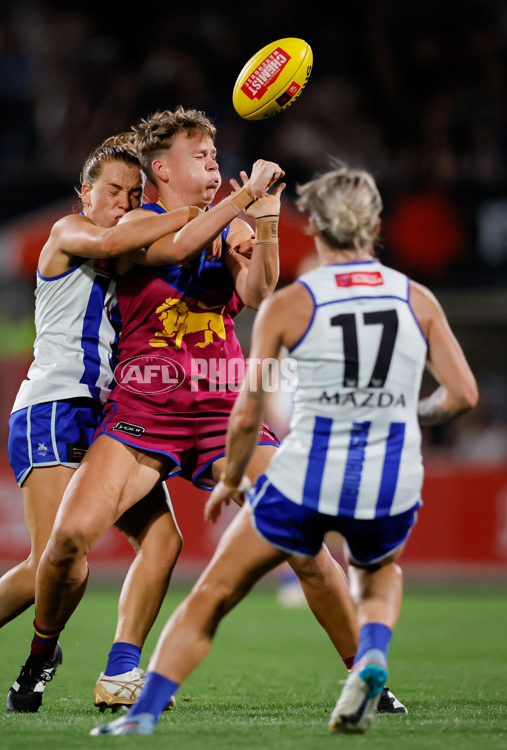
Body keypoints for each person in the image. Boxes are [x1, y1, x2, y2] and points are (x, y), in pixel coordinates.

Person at [8, 107, 403, 716]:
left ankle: (368, 681)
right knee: (66, 544)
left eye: (218, 157)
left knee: (306, 547)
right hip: (143, 410)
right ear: (161, 169)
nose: (216, 165)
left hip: (222, 410)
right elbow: (174, 249)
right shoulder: (138, 221)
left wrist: (264, 223)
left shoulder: (232, 222)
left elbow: (256, 292)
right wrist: (242, 198)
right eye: (203, 156)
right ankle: (41, 655)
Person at [92, 165, 478, 737]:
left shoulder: (294, 302)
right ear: (375, 224)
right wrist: (410, 415)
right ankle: (369, 663)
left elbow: (248, 407)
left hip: (303, 464)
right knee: (371, 572)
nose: (213, 164)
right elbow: (464, 394)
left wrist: (230, 479)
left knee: (213, 593)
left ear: (317, 230)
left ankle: (140, 714)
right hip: (389, 475)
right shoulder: (415, 296)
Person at [0, 134, 203, 713]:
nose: (123, 204)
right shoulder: (70, 233)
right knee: (57, 563)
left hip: (109, 416)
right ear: (85, 193)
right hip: (52, 408)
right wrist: (201, 207)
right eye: (112, 191)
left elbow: (169, 251)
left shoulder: (129, 250)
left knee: (163, 541)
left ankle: (121, 672)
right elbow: (111, 237)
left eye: (134, 195)